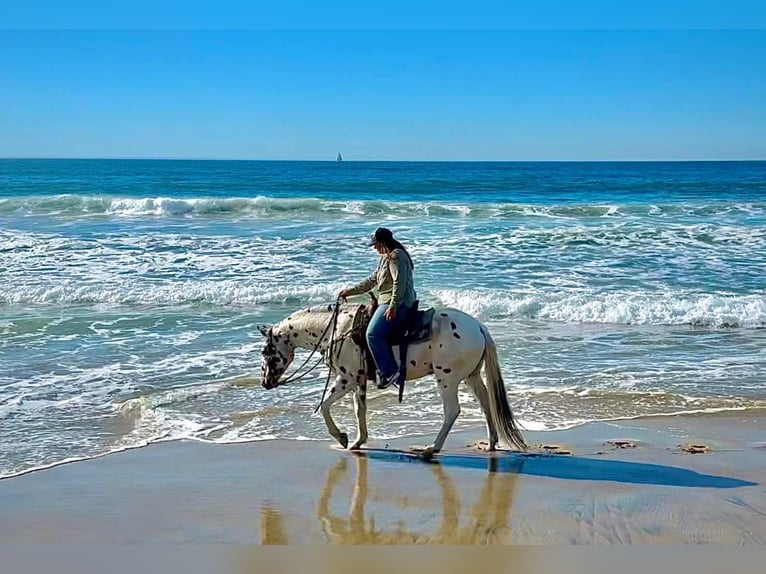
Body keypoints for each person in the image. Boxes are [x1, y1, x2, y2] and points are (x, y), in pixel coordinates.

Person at [339, 227, 417, 389]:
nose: (374, 247)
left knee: (373, 334)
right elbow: (372, 280)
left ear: (383, 242)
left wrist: (393, 306)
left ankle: (390, 372)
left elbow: (399, 283)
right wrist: (350, 291)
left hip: (397, 302)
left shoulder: (396, 256)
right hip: (386, 300)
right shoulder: (385, 258)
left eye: (376, 244)